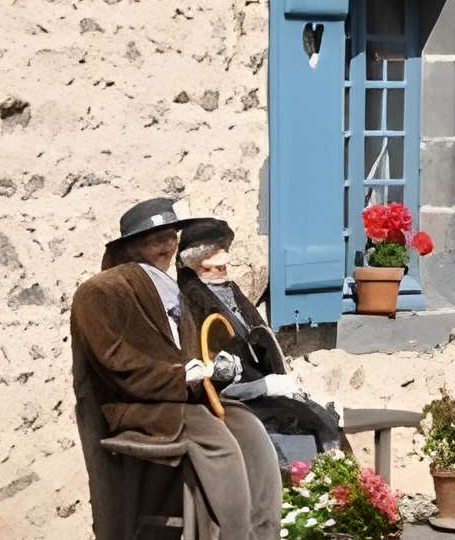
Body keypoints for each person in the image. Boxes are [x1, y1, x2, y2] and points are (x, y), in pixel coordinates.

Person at [71, 197, 282, 540]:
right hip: (140, 406)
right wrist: (180, 376)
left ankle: (264, 532)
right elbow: (114, 363)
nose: (166, 247)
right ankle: (233, 535)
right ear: (132, 247)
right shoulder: (101, 292)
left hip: (185, 397)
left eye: (170, 237)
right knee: (219, 444)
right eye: (156, 240)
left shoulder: (173, 290)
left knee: (250, 429)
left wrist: (215, 366)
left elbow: (191, 349)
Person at [174, 218, 350, 459]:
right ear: (197, 268)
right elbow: (210, 378)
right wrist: (261, 387)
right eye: (213, 267)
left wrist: (279, 383)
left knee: (321, 417)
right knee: (303, 426)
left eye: (223, 265)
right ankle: (303, 489)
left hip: (262, 393)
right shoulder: (193, 307)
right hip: (235, 405)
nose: (221, 271)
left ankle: (329, 486)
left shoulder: (230, 292)